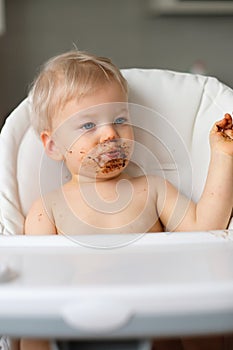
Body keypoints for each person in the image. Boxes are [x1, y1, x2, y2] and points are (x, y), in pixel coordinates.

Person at [22, 50, 233, 350]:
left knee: (207, 318)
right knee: (31, 324)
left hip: (156, 319)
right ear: (54, 145)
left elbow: (208, 231)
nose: (110, 134)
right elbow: (36, 292)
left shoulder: (152, 190)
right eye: (88, 125)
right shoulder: (48, 209)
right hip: (80, 330)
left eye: (120, 119)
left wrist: (223, 156)